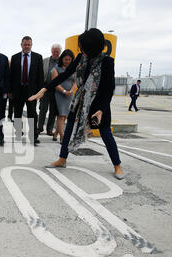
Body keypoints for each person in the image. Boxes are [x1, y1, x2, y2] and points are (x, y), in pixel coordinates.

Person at [29, 28, 125, 180]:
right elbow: (65, 74)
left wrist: (101, 109)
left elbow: (109, 88)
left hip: (99, 103)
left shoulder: (107, 62)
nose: (81, 50)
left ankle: (117, 165)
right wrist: (45, 88)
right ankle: (62, 159)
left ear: (92, 48)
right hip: (79, 101)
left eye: (83, 47)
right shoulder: (81, 58)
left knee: (106, 133)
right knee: (68, 130)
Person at [9, 36, 44, 146]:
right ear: (21, 45)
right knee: (17, 114)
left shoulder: (38, 57)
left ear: (31, 45)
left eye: (29, 44)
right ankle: (18, 133)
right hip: (17, 91)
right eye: (25, 44)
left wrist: (40, 92)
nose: (27, 46)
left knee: (32, 114)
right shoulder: (14, 58)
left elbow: (40, 76)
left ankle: (33, 137)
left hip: (32, 92)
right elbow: (11, 76)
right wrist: (10, 91)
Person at [51, 49, 76, 143]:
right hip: (59, 95)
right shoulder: (56, 69)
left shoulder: (73, 69)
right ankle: (63, 137)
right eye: (66, 59)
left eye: (69, 60)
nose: (67, 62)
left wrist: (71, 91)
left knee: (65, 116)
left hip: (70, 95)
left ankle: (56, 133)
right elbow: (55, 83)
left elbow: (75, 81)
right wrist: (64, 91)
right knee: (61, 116)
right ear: (62, 59)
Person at [38, 44, 61, 136]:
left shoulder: (61, 61)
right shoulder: (45, 61)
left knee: (53, 111)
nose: (55, 53)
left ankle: (50, 129)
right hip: (45, 88)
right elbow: (40, 74)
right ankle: (39, 128)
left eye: (57, 51)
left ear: (60, 52)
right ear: (51, 51)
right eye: (54, 51)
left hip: (56, 90)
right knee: (43, 109)